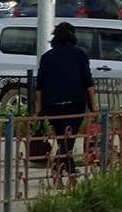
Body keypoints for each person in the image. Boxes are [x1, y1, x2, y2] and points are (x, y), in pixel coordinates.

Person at [35, 22, 98, 180]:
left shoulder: (47, 57)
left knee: (62, 139)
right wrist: (94, 104)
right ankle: (64, 168)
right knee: (68, 139)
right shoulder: (80, 55)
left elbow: (40, 84)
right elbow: (87, 81)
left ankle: (68, 170)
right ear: (73, 36)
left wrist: (39, 107)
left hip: (51, 104)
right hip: (74, 102)